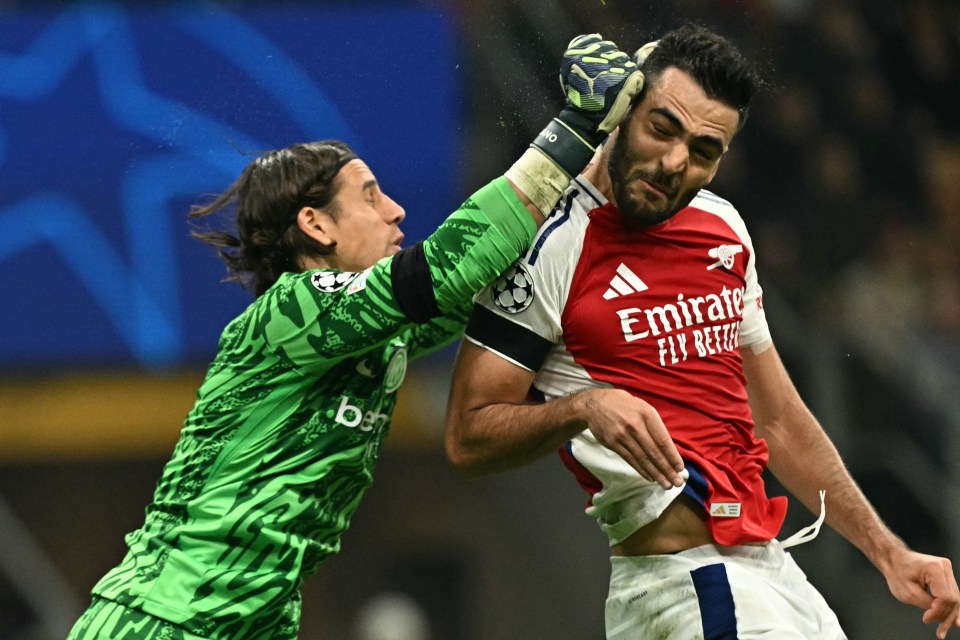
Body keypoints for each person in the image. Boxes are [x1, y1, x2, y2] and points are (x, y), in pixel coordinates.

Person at [66, 35, 646, 640]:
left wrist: (614, 149)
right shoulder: (291, 311)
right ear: (315, 225)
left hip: (249, 625)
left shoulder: (372, 335)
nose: (395, 210)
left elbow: (494, 285)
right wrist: (574, 121)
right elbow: (444, 269)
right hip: (160, 619)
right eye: (370, 197)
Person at [444, 23, 960, 640]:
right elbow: (467, 435)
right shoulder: (549, 241)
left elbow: (778, 420)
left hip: (771, 571)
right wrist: (584, 407)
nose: (674, 162)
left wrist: (888, 551)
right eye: (662, 128)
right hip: (687, 582)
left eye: (704, 150)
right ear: (622, 110)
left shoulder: (723, 228)